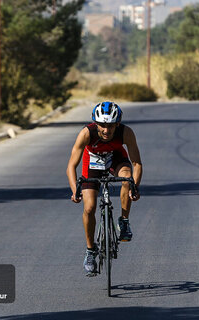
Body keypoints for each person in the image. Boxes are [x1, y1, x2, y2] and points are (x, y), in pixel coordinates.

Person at [66, 101, 143, 276]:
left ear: (117, 124)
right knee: (90, 207)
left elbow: (137, 163)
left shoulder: (126, 133)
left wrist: (134, 188)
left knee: (127, 178)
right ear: (95, 123)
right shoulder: (86, 133)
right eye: (102, 125)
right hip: (92, 162)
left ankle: (124, 222)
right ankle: (90, 250)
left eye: (110, 126)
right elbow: (71, 165)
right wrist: (74, 190)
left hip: (116, 157)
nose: (106, 131)